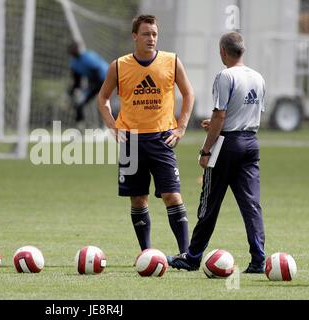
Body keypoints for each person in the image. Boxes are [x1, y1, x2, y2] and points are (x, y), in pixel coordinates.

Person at [168, 31, 267, 273]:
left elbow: (220, 114)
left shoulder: (224, 76)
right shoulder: (258, 77)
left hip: (227, 145)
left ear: (222, 51)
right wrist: (214, 126)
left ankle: (192, 257)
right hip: (251, 143)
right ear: (242, 51)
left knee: (209, 203)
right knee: (251, 204)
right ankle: (258, 260)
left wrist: (206, 149)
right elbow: (247, 114)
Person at [97, 15, 195, 255]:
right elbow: (103, 98)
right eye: (145, 34)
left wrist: (181, 127)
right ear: (134, 37)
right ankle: (147, 253)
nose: (151, 38)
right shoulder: (119, 66)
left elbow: (188, 94)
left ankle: (186, 254)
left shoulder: (171, 61)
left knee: (172, 196)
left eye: (154, 34)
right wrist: (112, 124)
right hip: (130, 142)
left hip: (162, 139)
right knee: (138, 200)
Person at [68, 42, 109, 128]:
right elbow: (77, 81)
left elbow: (98, 73)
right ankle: (80, 127)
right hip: (94, 83)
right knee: (79, 103)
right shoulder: (74, 63)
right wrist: (71, 92)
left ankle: (106, 127)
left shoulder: (88, 57)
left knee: (101, 103)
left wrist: (91, 87)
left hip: (106, 80)